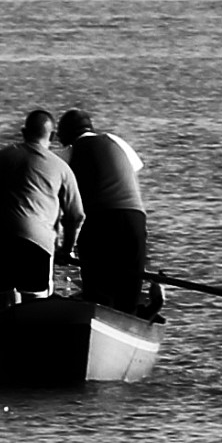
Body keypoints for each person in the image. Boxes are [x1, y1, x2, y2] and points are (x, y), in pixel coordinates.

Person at [0, 109, 84, 306]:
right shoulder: (61, 168)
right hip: (35, 241)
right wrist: (66, 250)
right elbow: (75, 216)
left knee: (3, 299)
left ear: (24, 133)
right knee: (35, 301)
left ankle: (5, 330)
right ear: (53, 136)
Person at [56, 108, 148, 314]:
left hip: (98, 221)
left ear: (65, 136)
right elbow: (134, 168)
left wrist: (65, 248)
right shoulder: (117, 141)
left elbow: (59, 200)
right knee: (130, 291)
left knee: (98, 293)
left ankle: (97, 321)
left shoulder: (68, 153)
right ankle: (127, 326)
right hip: (135, 219)